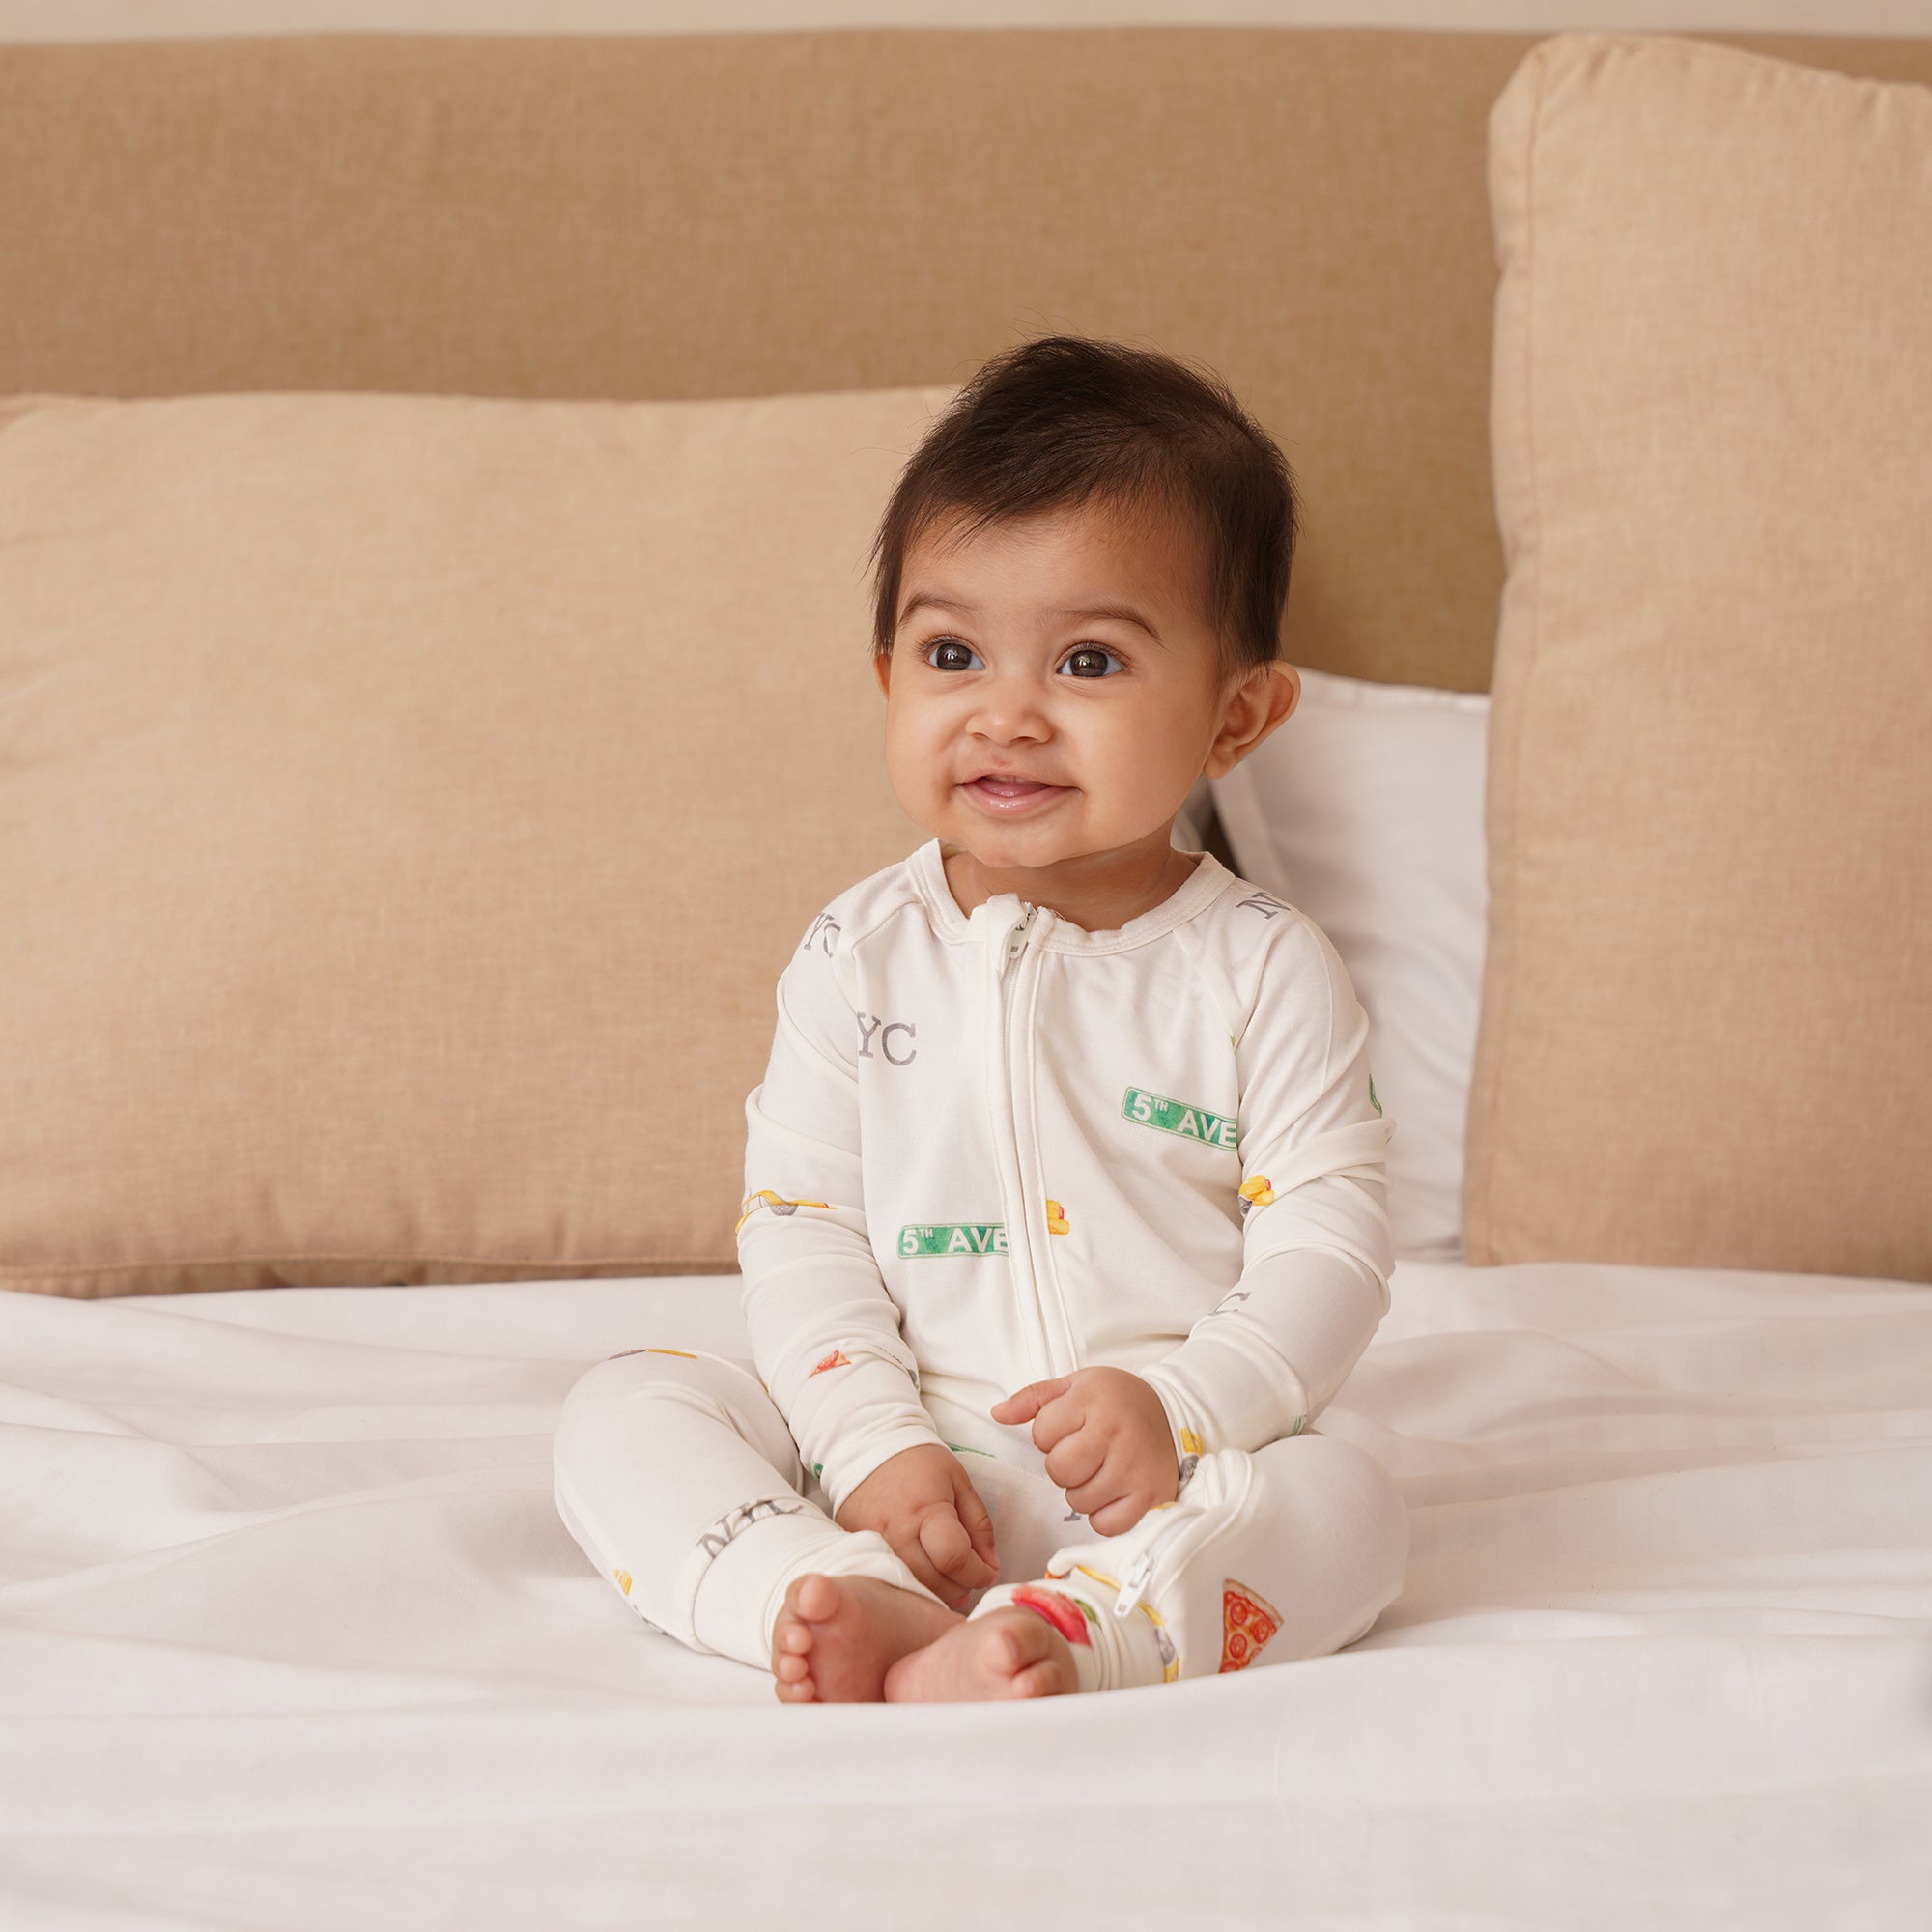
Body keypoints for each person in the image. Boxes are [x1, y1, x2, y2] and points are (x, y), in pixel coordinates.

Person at [552, 333, 1408, 1702]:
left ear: (1237, 715)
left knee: (1351, 1502)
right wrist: (871, 1446)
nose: (1006, 714)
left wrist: (1185, 1410)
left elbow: (1333, 1245)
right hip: (895, 1469)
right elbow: (804, 1230)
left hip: (1163, 1479)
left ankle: (1090, 1635)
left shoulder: (1263, 969)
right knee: (625, 1406)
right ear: (889, 675)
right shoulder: (855, 955)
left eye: (1087, 663)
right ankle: (834, 1601)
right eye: (954, 649)